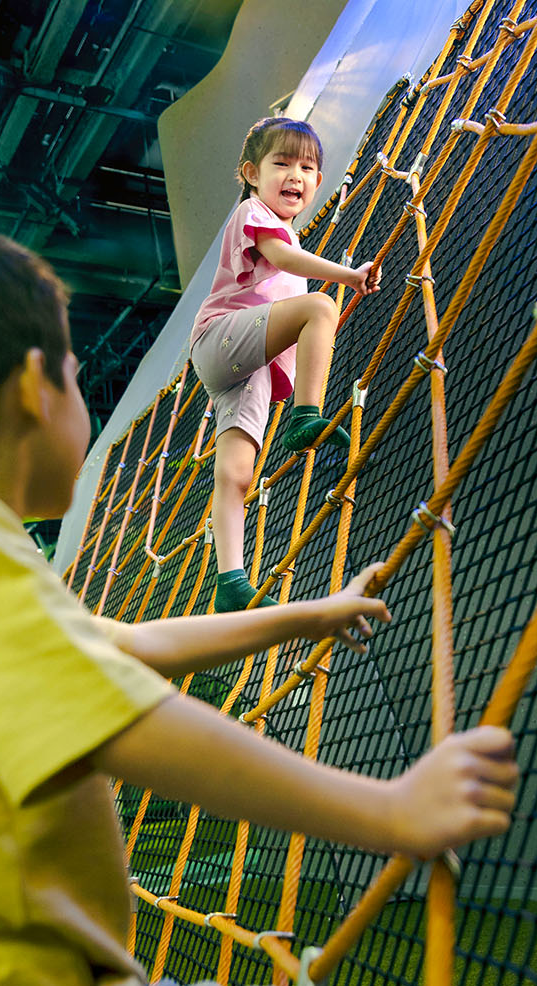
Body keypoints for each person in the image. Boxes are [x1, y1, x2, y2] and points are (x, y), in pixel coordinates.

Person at [0, 219, 516, 986]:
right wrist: (391, 811)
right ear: (34, 387)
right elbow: (134, 724)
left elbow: (136, 644)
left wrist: (310, 614)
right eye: (76, 376)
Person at [190, 117, 382, 614]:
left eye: (307, 167)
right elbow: (281, 256)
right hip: (221, 338)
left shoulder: (287, 234)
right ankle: (304, 415)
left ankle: (230, 581)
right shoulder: (253, 213)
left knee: (236, 475)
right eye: (282, 163)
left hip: (245, 364)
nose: (296, 175)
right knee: (321, 308)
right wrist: (349, 275)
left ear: (317, 181)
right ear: (252, 174)